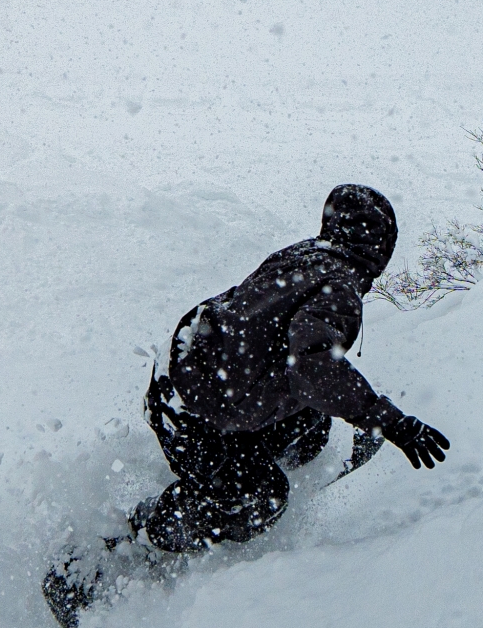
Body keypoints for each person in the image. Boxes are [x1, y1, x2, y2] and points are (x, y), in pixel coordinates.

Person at [44, 185, 449, 624]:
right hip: (192, 411)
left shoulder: (307, 256)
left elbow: (282, 352)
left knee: (312, 428)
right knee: (259, 497)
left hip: (191, 377)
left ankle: (235, 490)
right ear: (381, 249)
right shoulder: (339, 286)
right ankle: (128, 546)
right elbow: (311, 365)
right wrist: (390, 421)